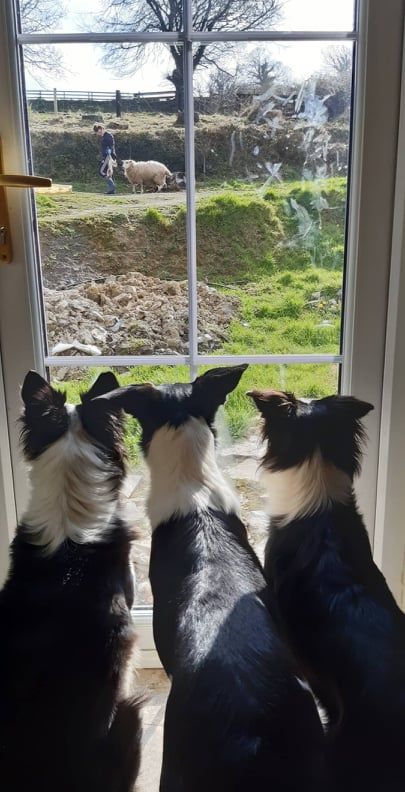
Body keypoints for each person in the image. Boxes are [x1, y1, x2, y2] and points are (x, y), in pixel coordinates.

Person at [93, 124, 117, 195]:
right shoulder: (104, 136)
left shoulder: (108, 136)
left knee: (101, 171)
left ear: (101, 129)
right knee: (108, 172)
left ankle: (112, 187)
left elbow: (110, 146)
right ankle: (112, 190)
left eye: (98, 132)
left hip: (108, 156)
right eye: (97, 132)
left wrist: (108, 156)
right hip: (107, 156)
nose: (98, 134)